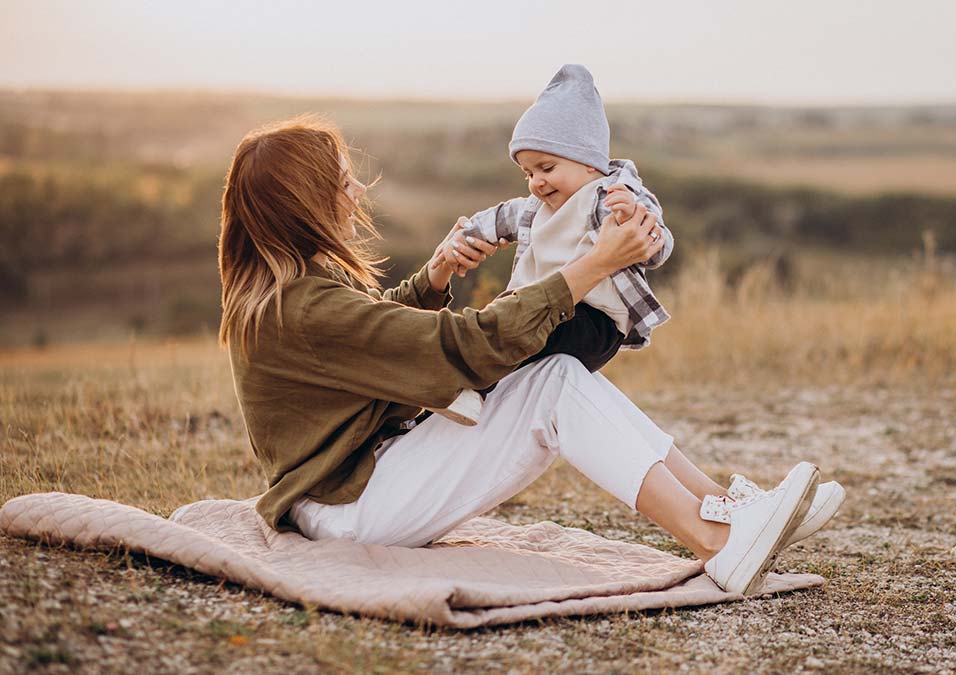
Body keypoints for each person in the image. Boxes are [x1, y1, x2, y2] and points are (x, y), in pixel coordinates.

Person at [216, 115, 842, 596]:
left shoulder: (293, 290)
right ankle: (716, 540)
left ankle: (727, 510)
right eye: (341, 179)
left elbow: (376, 334)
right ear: (304, 201)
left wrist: (433, 277)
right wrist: (593, 264)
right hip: (349, 505)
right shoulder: (300, 306)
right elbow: (464, 349)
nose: (356, 188)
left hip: (357, 485)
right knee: (553, 384)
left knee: (555, 373)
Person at [432, 64, 672, 427]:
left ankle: (473, 386)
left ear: (589, 162)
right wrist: (465, 239)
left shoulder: (610, 198)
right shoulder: (534, 210)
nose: (537, 182)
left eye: (547, 168)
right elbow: (497, 218)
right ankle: (468, 391)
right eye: (528, 173)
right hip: (541, 312)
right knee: (494, 323)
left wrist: (631, 219)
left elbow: (659, 247)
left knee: (517, 328)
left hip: (594, 323)